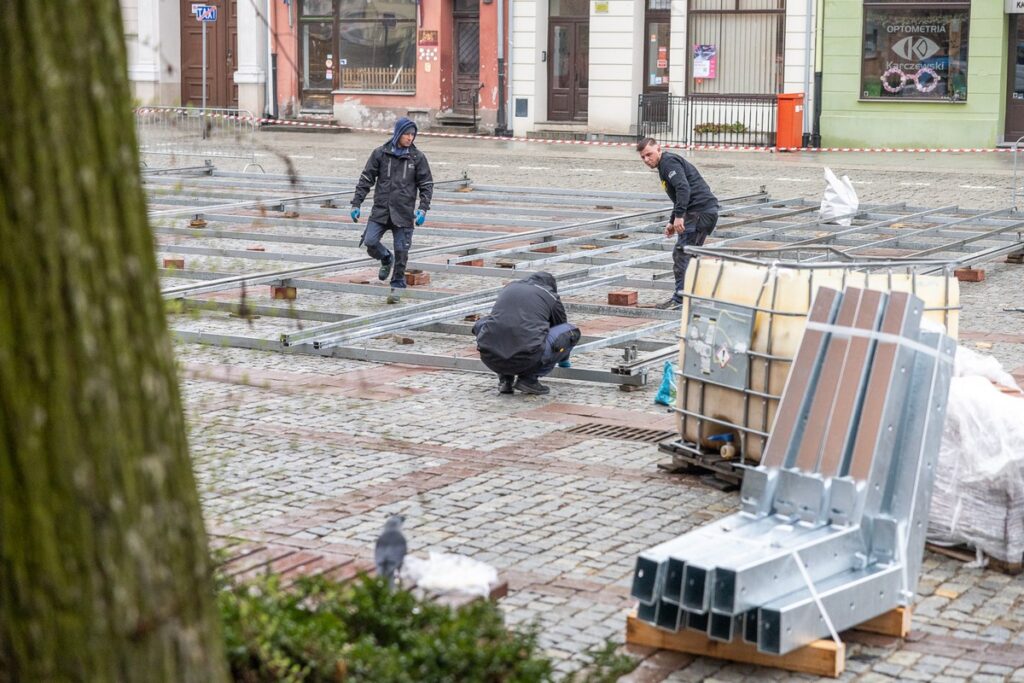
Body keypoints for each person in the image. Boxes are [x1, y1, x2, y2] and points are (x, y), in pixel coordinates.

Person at [350, 116, 434, 304]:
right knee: (370, 241)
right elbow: (366, 180)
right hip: (381, 210)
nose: (410, 138)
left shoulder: (417, 157)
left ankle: (397, 286)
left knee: (401, 250)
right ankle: (386, 258)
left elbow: (426, 184)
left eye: (412, 134)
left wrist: (423, 209)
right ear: (398, 134)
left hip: (403, 213)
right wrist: (356, 204)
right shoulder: (380, 154)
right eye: (406, 134)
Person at [637, 137, 719, 309]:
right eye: (643, 157)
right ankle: (690, 297)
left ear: (658, 149)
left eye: (649, 155)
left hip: (700, 212)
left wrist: (679, 217)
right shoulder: (664, 165)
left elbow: (683, 188)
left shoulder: (668, 163)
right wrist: (672, 221)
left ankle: (680, 300)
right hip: (700, 211)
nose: (646, 160)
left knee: (682, 254)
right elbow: (678, 196)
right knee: (689, 255)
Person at [472, 272, 581, 395]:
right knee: (571, 331)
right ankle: (529, 380)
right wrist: (563, 358)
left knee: (487, 324)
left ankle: (505, 379)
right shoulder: (550, 295)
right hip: (529, 357)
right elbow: (561, 327)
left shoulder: (509, 288)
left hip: (491, 358)